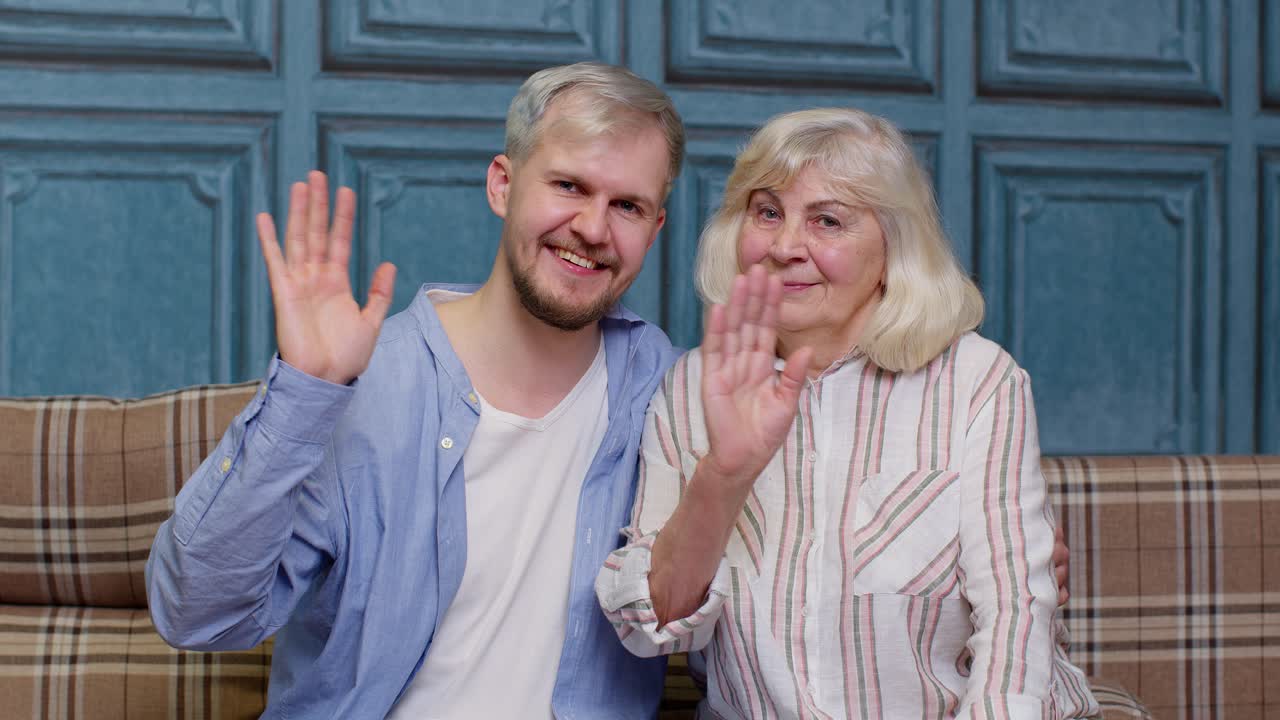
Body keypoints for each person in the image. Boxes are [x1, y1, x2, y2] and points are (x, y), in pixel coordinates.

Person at [145, 62, 684, 719]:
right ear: (502, 185)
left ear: (655, 229)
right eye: (569, 185)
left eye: (626, 205)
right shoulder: (371, 383)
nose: (594, 229)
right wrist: (303, 393)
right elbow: (195, 613)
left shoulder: (669, 391)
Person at [596, 108, 1098, 719]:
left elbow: (1017, 610)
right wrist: (724, 473)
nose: (784, 247)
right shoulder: (690, 387)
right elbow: (650, 629)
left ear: (894, 247)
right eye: (767, 212)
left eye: (827, 221)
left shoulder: (976, 380)